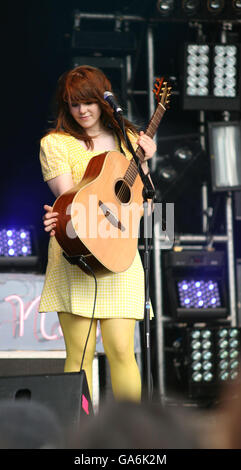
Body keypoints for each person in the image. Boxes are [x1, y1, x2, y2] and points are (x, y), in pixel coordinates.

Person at [39, 65, 156, 402]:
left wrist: (145, 163)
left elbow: (144, 208)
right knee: (80, 355)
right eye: (74, 104)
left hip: (121, 255)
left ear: (104, 101)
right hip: (79, 252)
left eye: (88, 102)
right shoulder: (56, 143)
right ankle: (80, 435)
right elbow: (69, 197)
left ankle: (133, 435)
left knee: (122, 350)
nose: (82, 111)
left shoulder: (128, 140)